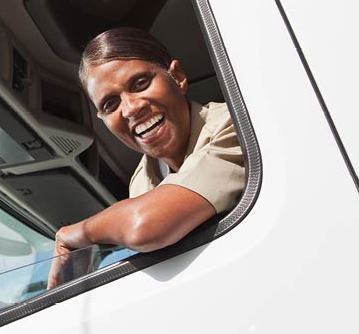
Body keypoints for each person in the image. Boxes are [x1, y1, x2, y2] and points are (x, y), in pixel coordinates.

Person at [47, 27, 246, 288]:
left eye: (140, 84)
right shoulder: (141, 181)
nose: (131, 109)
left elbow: (144, 225)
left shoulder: (236, 126)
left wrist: (70, 235)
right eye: (110, 104)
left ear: (178, 77)